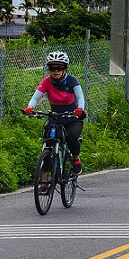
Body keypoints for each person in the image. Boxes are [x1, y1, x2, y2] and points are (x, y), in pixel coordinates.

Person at [24, 51, 86, 191]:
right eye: (52, 68)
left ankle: (76, 159)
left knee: (71, 136)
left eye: (59, 68)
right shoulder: (46, 81)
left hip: (72, 117)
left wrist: (80, 109)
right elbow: (35, 97)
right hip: (55, 118)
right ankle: (44, 182)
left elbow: (80, 97)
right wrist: (30, 107)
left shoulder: (72, 81)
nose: (56, 71)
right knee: (48, 144)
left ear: (65, 68)